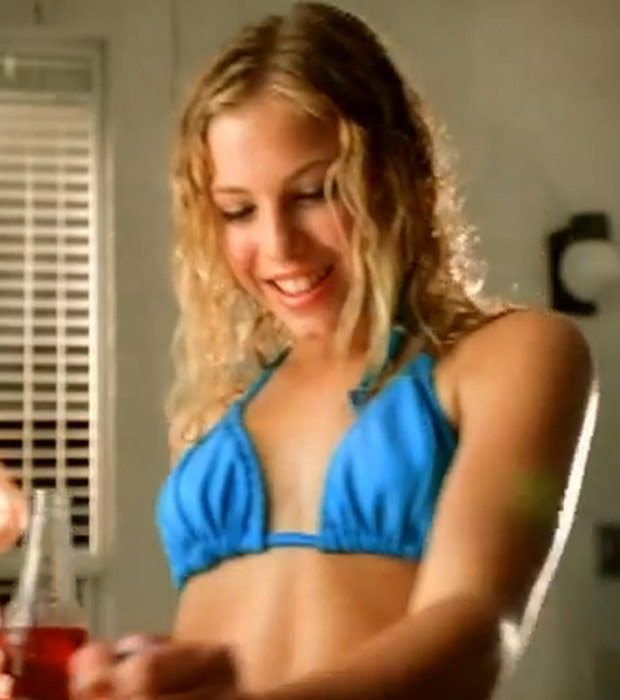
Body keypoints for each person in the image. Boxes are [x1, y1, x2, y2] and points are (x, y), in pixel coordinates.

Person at [70, 2, 598, 698]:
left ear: (399, 174)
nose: (279, 246)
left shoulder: (516, 355)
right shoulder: (221, 413)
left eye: (314, 193)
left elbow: (476, 631)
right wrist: (139, 674)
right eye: (238, 210)